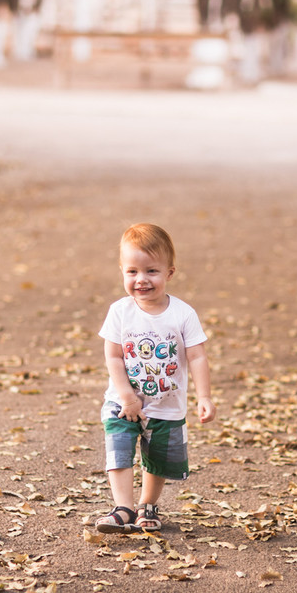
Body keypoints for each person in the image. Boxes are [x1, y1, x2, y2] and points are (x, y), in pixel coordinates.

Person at [95, 224, 215, 533]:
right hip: (123, 401)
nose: (141, 280)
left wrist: (204, 397)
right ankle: (122, 507)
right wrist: (126, 396)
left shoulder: (183, 314)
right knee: (119, 448)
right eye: (132, 271)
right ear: (122, 271)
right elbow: (114, 357)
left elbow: (197, 356)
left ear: (169, 273)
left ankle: (147, 505)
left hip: (166, 405)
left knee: (156, 458)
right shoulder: (120, 312)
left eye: (151, 271)